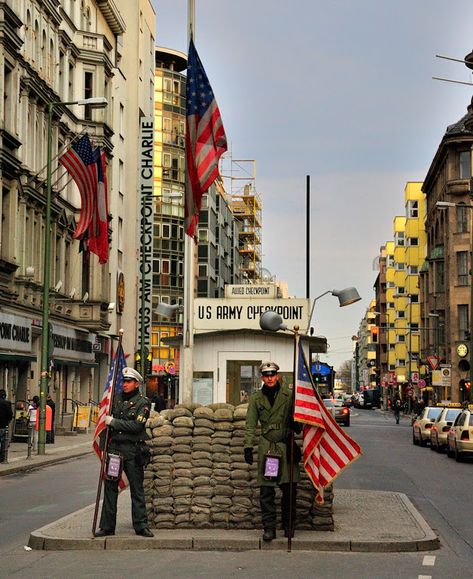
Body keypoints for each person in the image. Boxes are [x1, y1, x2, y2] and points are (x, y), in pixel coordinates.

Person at [244, 361, 300, 542]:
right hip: (268, 447)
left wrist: (295, 424)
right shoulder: (256, 398)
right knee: (267, 490)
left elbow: (298, 419)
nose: (269, 378)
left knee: (289, 488)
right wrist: (247, 446)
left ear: (278, 376)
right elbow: (250, 424)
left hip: (285, 444)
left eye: (272, 375)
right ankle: (269, 528)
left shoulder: (289, 396)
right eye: (266, 375)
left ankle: (288, 525)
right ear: (262, 378)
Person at [96, 367, 153, 538]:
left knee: (136, 490)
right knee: (110, 489)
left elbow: (137, 426)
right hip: (114, 450)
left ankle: (141, 525)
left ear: (137, 384)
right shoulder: (115, 399)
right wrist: (103, 446)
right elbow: (104, 425)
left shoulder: (143, 402)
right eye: (123, 381)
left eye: (128, 382)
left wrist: (114, 422)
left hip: (133, 451)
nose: (125, 384)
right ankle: (107, 526)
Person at [0, 389, 13, 463]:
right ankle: (2, 458)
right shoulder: (7, 403)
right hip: (4, 425)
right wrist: (8, 421)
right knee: (3, 442)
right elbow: (10, 415)